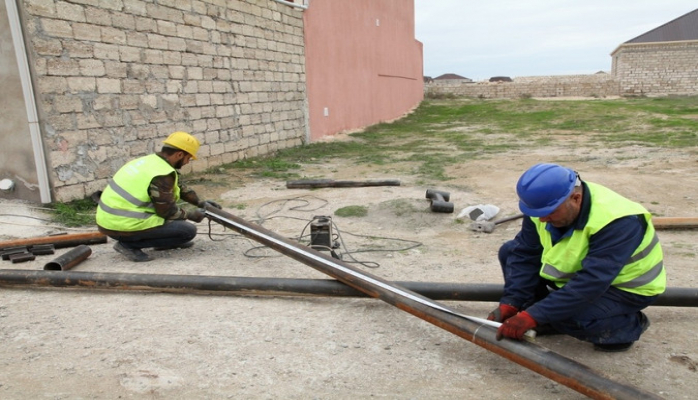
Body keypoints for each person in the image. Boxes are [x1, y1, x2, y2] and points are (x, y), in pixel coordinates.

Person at [488, 163, 665, 352]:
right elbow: (525, 254)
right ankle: (549, 316)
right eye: (536, 213)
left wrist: (534, 316)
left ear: (576, 198)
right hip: (581, 276)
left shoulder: (618, 221)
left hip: (624, 289)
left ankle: (625, 327)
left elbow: (591, 282)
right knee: (510, 251)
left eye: (548, 213)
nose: (541, 219)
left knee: (565, 316)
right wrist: (512, 302)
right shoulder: (545, 206)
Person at [96, 131, 222, 262]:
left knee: (178, 223)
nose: (188, 162)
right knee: (187, 231)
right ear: (179, 154)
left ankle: (163, 241)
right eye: (188, 158)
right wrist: (191, 215)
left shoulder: (151, 162)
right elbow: (167, 212)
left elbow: (180, 187)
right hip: (121, 225)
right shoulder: (162, 175)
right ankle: (127, 245)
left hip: (107, 220)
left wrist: (200, 203)